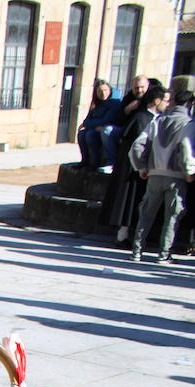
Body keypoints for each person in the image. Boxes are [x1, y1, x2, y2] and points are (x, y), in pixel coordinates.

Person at [128, 88, 195, 263]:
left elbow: (136, 146)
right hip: (177, 177)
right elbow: (187, 149)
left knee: (146, 214)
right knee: (172, 217)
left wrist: (141, 167)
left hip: (154, 174)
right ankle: (164, 254)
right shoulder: (189, 123)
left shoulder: (158, 121)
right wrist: (189, 172)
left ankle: (137, 251)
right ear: (190, 104)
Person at [101, 81, 166, 246]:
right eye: (165, 100)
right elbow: (137, 146)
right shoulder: (143, 118)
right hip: (133, 169)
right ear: (156, 101)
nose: (167, 104)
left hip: (136, 168)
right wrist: (142, 167)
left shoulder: (150, 118)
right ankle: (122, 236)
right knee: (128, 202)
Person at [78, 80, 125, 171]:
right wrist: (89, 124)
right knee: (82, 134)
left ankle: (96, 163)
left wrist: (89, 124)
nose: (103, 93)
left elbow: (107, 119)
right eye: (100, 91)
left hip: (108, 128)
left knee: (90, 135)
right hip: (96, 128)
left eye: (105, 90)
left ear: (110, 90)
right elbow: (87, 120)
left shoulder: (115, 103)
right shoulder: (96, 104)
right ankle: (85, 161)